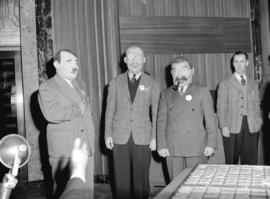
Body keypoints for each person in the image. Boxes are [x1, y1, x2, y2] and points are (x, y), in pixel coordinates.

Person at [105, 45, 160, 199]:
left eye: (138, 57)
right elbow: (109, 110)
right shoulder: (115, 82)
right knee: (121, 181)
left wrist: (155, 137)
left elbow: (156, 112)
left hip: (143, 136)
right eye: (130, 57)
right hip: (119, 136)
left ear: (144, 60)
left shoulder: (153, 83)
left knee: (141, 181)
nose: (134, 61)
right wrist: (107, 134)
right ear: (124, 60)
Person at [38, 49, 95, 198]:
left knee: (86, 193)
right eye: (69, 62)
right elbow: (52, 113)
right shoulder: (47, 87)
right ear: (56, 64)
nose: (75, 66)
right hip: (66, 152)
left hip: (86, 148)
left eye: (76, 62)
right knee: (68, 194)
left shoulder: (80, 84)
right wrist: (77, 109)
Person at [157, 56, 217, 181]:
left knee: (197, 184)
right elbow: (161, 122)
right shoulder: (166, 93)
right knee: (175, 185)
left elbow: (210, 120)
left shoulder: (202, 91)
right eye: (175, 70)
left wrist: (211, 144)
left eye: (184, 69)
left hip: (196, 147)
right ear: (171, 73)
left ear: (192, 71)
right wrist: (161, 145)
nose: (179, 74)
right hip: (172, 148)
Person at [217, 50, 262, 165]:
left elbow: (257, 104)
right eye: (236, 61)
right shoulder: (225, 83)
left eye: (242, 61)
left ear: (247, 63)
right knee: (231, 161)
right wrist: (223, 126)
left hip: (252, 126)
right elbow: (221, 106)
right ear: (233, 63)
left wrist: (259, 121)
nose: (238, 64)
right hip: (232, 126)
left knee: (251, 162)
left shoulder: (253, 83)